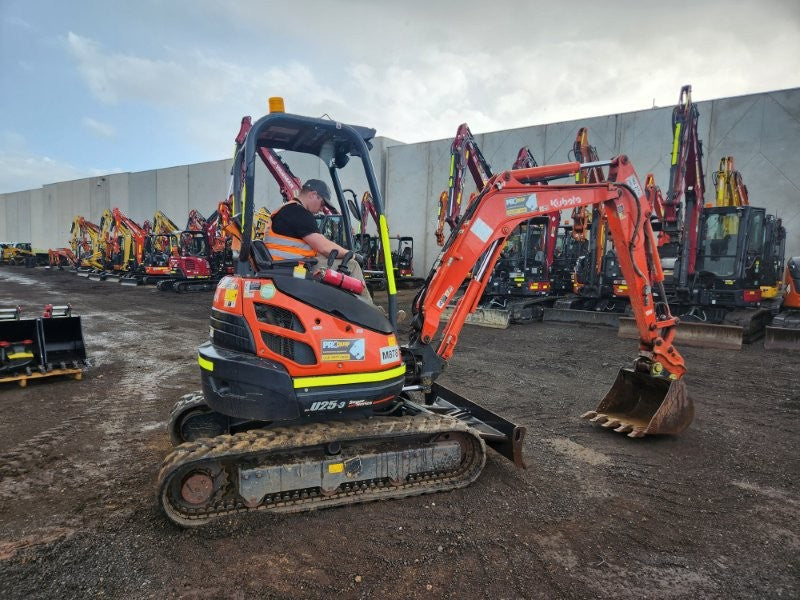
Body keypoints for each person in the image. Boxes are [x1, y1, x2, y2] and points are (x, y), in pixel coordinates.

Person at [267, 179, 374, 304]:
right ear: (313, 195)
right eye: (322, 204)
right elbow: (324, 247)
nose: (321, 209)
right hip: (293, 267)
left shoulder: (287, 210)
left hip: (286, 264)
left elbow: (318, 244)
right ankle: (373, 315)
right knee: (352, 265)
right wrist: (352, 254)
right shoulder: (299, 213)